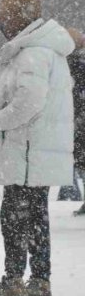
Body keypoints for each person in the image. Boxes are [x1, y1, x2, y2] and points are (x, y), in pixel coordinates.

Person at [0, 0, 75, 296]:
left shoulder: (32, 53)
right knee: (36, 216)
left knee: (14, 217)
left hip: (26, 151)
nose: (0, 23)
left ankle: (13, 284)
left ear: (16, 20)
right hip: (36, 150)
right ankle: (39, 283)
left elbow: (29, 102)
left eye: (3, 17)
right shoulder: (49, 50)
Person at [66, 28, 85, 215]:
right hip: (78, 119)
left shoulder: (74, 62)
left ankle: (69, 195)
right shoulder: (76, 61)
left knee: (77, 161)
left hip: (78, 119)